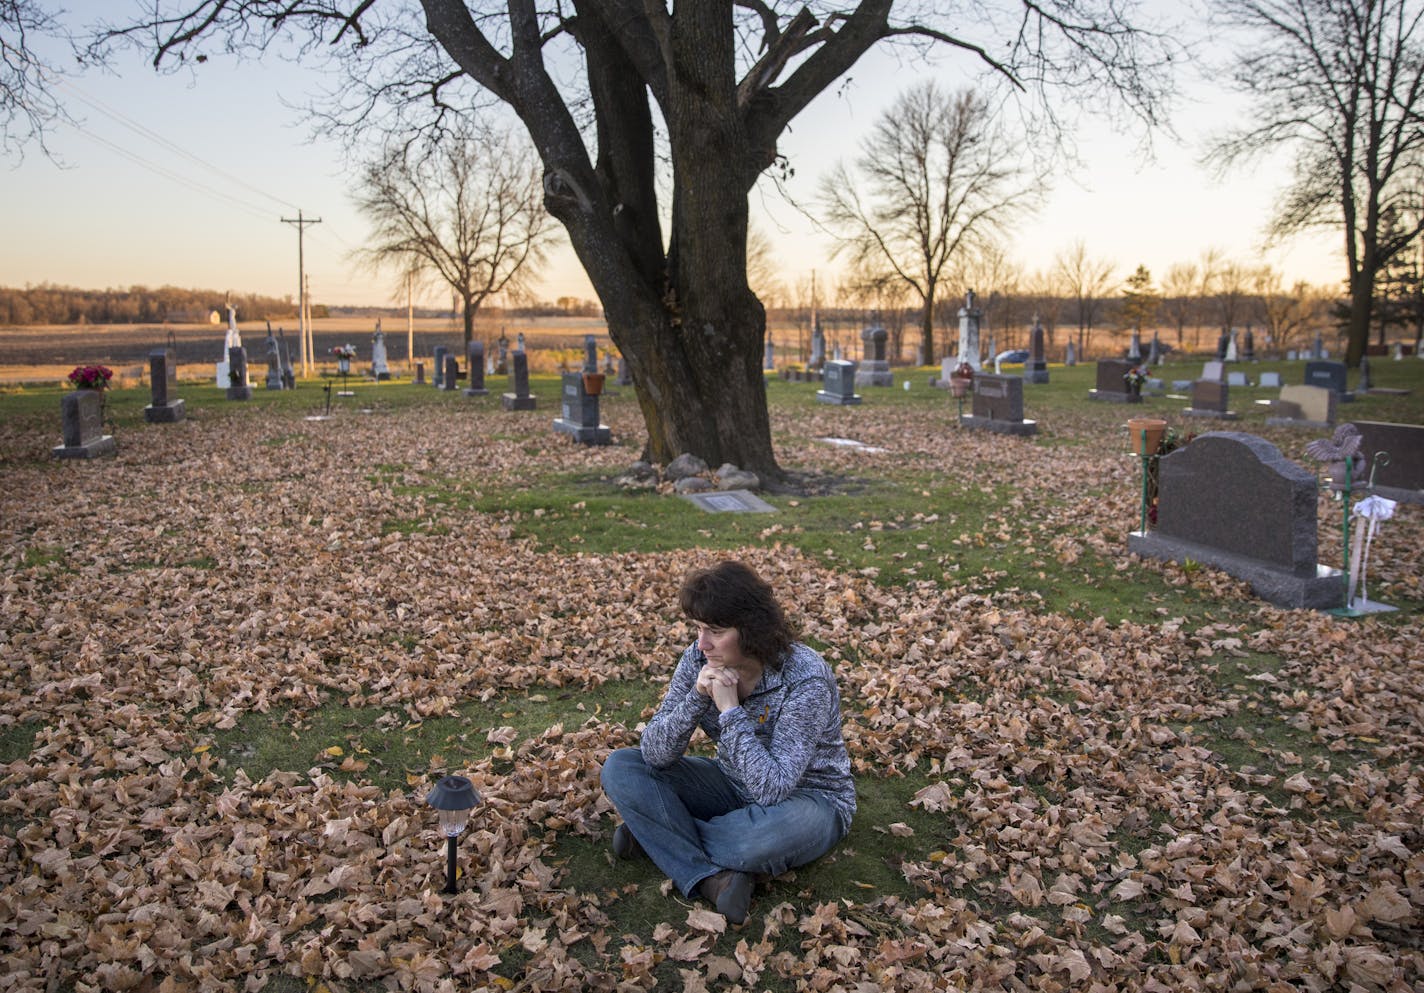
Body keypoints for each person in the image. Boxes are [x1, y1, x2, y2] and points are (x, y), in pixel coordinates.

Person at [599, 560, 856, 924]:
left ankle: (659, 834)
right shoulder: (698, 659)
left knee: (752, 842)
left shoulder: (804, 679)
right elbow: (654, 754)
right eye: (699, 628)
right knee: (622, 767)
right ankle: (710, 878)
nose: (702, 643)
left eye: (715, 631)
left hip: (811, 800)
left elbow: (772, 788)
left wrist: (730, 710)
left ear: (751, 630)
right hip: (731, 784)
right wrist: (697, 700)